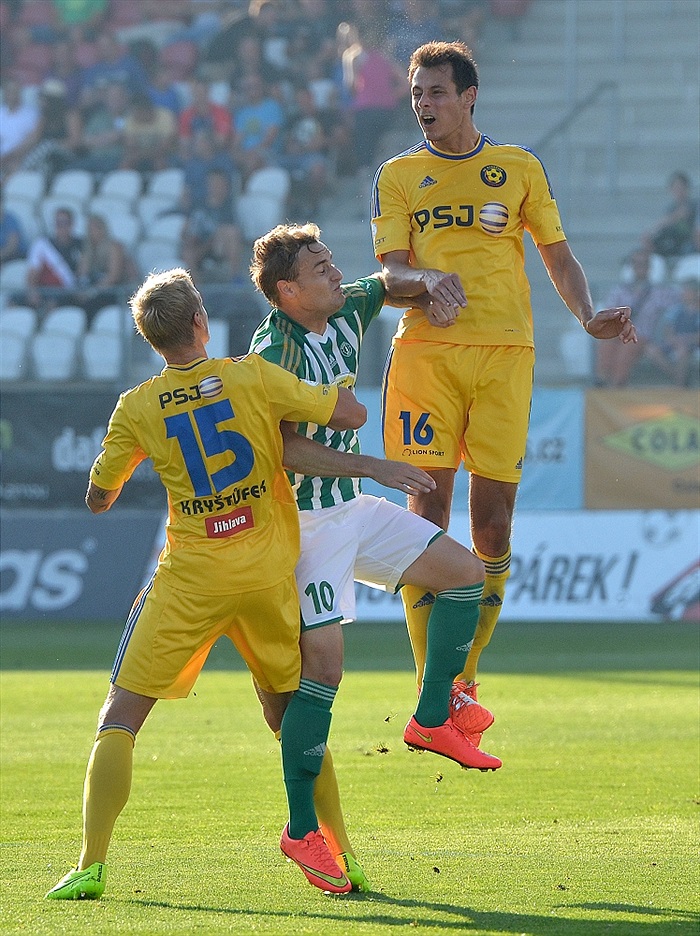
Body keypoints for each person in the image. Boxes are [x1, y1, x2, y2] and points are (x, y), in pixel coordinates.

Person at [45, 267, 368, 901]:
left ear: (150, 339)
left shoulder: (136, 406)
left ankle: (89, 865)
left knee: (121, 717)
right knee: (293, 720)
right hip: (266, 576)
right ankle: (342, 853)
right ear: (202, 322)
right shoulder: (253, 376)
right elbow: (344, 413)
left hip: (191, 580)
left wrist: (136, 465)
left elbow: (99, 498)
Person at [370, 41, 637, 738]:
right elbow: (389, 275)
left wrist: (587, 316)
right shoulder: (398, 175)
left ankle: (461, 678)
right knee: (425, 518)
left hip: (506, 356)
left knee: (493, 524)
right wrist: (425, 280)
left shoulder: (517, 167)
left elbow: (558, 254)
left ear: (468, 97)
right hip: (426, 357)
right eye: (416, 94)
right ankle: (434, 693)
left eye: (435, 92)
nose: (424, 105)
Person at [248, 222, 503, 889]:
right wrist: (375, 467)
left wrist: (429, 282)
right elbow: (282, 448)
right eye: (320, 268)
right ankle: (301, 830)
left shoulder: (343, 310)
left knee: (464, 575)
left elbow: (384, 282)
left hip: (351, 509)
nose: (337, 273)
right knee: (324, 672)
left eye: (332, 260)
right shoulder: (274, 351)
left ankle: (430, 717)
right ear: (287, 291)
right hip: (303, 525)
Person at [595, 249, 675, 388]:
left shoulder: (658, 292)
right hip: (619, 331)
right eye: (636, 264)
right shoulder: (620, 290)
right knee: (606, 343)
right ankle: (602, 381)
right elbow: (608, 312)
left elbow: (682, 303)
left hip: (641, 334)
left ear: (649, 267)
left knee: (627, 349)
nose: (640, 268)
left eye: (643, 264)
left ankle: (616, 386)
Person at [644, 278, 700, 387]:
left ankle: (680, 385)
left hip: (691, 343)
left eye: (687, 291)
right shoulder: (676, 309)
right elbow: (668, 330)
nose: (684, 293)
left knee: (682, 351)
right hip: (675, 341)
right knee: (651, 350)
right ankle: (675, 375)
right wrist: (673, 339)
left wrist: (684, 339)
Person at [26, 206, 84, 310]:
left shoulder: (81, 245)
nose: (61, 227)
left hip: (67, 292)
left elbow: (82, 274)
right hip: (43, 290)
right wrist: (32, 292)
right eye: (58, 223)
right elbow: (32, 273)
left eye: (64, 223)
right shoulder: (42, 244)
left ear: (72, 224)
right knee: (13, 301)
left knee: (53, 304)